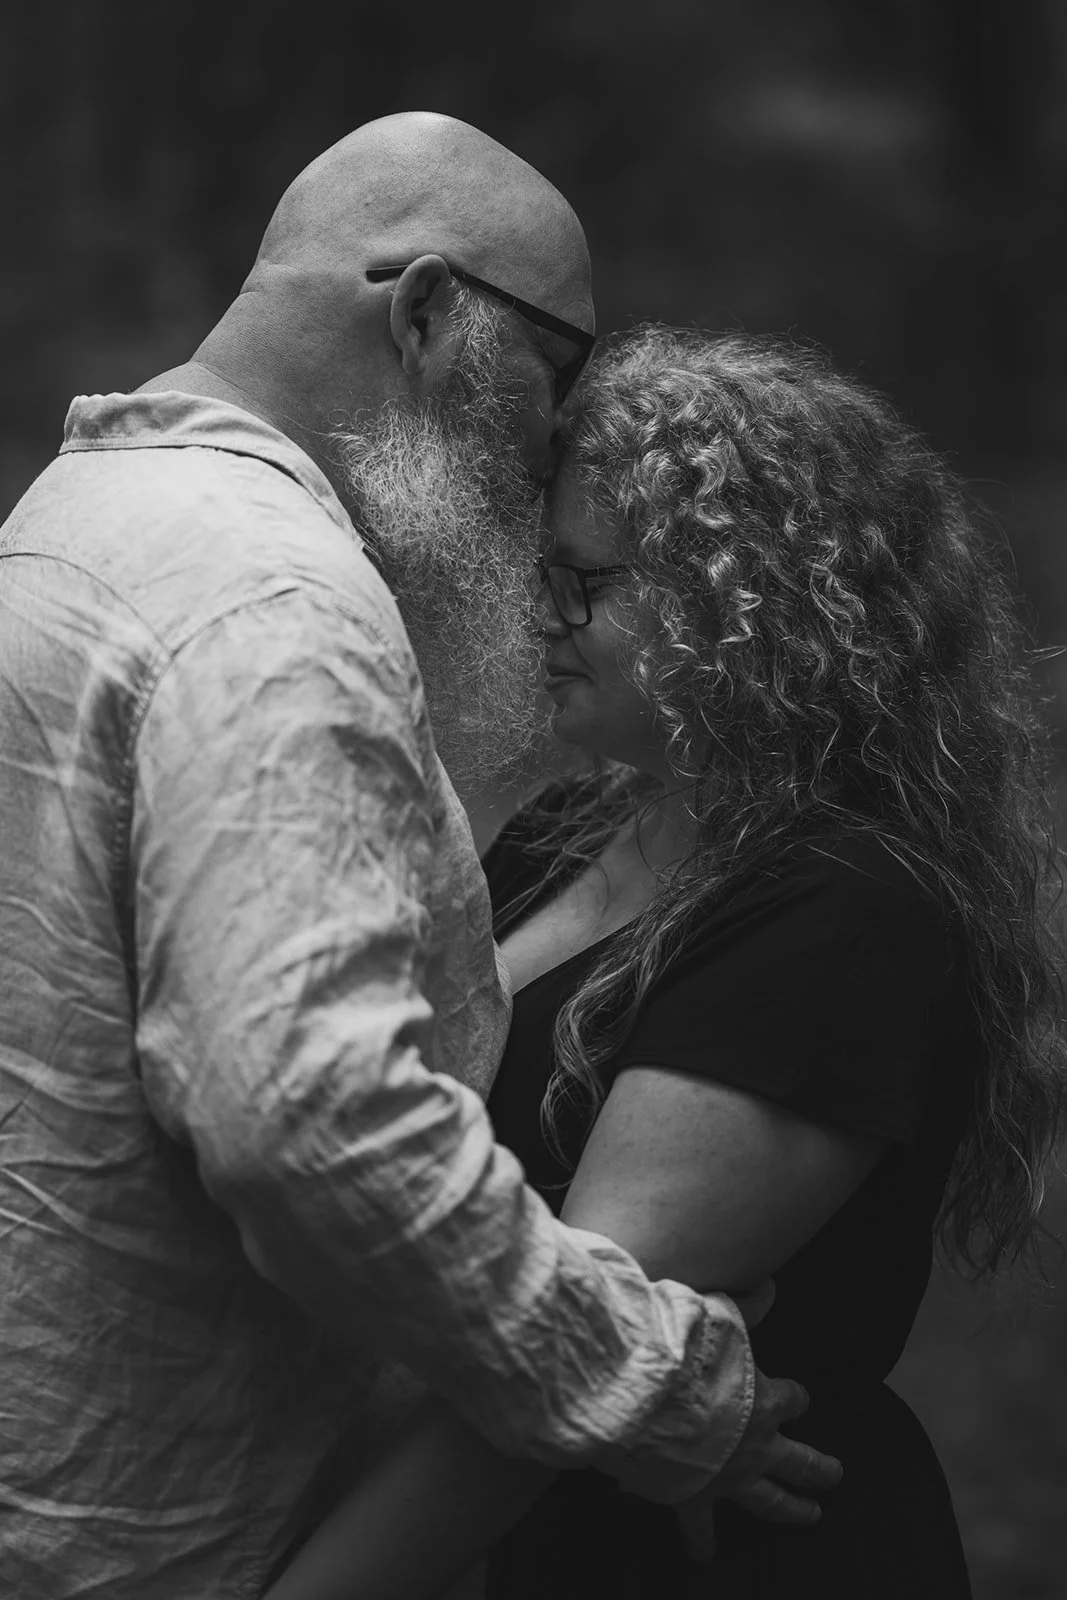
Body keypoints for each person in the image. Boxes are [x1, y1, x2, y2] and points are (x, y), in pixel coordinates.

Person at [0, 122, 836, 1599]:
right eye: (556, 371)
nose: (547, 444)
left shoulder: (74, 523)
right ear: (429, 311)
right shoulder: (276, 606)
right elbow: (305, 1116)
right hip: (159, 1544)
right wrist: (645, 1383)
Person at [263, 326, 1066, 1599]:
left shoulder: (848, 909)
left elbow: (573, 1354)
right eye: (539, 572)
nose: (540, 614)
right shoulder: (574, 829)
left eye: (582, 580)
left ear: (742, 601)